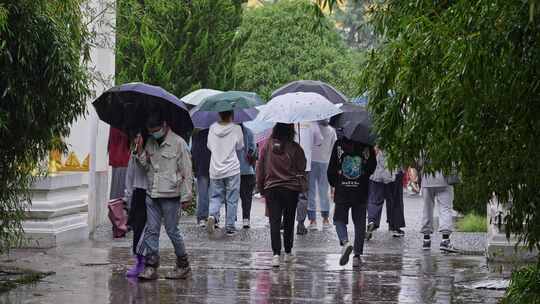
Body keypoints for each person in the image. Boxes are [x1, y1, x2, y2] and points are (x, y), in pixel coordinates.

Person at [135, 114, 193, 280]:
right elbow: (147, 166)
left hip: (171, 195)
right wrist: (139, 151)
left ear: (165, 125)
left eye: (156, 130)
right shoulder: (150, 142)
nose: (154, 134)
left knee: (172, 230)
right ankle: (151, 266)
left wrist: (186, 196)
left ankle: (183, 264)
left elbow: (187, 172)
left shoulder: (179, 143)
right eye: (151, 131)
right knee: (151, 230)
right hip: (152, 194)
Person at [257, 123, 306, 267]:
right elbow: (302, 166)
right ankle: (289, 252)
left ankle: (276, 255)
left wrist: (261, 187)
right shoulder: (294, 147)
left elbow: (260, 167)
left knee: (275, 221)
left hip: (272, 188)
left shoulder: (267, 146)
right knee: (289, 220)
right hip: (291, 189)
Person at [327, 136, 376, 267]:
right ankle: (357, 255)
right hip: (361, 189)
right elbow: (372, 167)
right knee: (360, 222)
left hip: (342, 188)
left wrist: (333, 182)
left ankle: (345, 241)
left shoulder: (339, 144)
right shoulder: (367, 144)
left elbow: (332, 167)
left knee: (339, 219)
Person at [206, 111, 244, 236]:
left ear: (219, 114)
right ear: (232, 115)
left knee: (215, 197)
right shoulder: (236, 128)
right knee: (232, 199)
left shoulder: (212, 128)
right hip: (232, 168)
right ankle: (230, 227)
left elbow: (209, 146)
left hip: (215, 168)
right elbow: (240, 146)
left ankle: (212, 215)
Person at [366, 146, 403, 240]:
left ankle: (372, 221)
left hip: (376, 171)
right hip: (392, 170)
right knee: (394, 200)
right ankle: (395, 226)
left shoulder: (370, 134)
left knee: (374, 199)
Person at [124, 133, 148, 277]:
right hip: (138, 193)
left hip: (151, 192)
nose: (136, 139)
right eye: (135, 136)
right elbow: (130, 175)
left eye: (139, 136)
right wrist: (128, 197)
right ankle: (139, 261)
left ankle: (148, 261)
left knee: (148, 230)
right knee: (137, 229)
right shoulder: (133, 153)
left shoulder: (151, 151)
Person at [294, 122, 323, 235]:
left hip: (289, 165)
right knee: (303, 195)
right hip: (305, 166)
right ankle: (300, 223)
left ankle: (284, 221)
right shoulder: (313, 124)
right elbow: (319, 142)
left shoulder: (290, 121)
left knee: (287, 192)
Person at [308, 119, 337, 229]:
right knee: (324, 191)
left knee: (311, 191)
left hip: (311, 161)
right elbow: (334, 147)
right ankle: (325, 219)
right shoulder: (331, 130)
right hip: (326, 162)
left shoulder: (311, 128)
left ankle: (312, 220)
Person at [421, 171, 457, 252]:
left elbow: (419, 162)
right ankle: (445, 240)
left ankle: (426, 240)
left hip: (427, 180)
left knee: (427, 209)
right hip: (445, 179)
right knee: (445, 209)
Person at [237, 124, 258, 229]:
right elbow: (253, 149)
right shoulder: (249, 132)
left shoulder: (230, 131)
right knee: (247, 197)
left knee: (231, 197)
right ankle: (246, 219)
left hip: (233, 170)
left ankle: (230, 219)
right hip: (247, 170)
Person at [191, 128, 212, 227]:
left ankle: (203, 217)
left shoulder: (196, 134)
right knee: (212, 195)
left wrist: (194, 168)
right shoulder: (215, 132)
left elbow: (194, 152)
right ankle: (211, 216)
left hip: (201, 167)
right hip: (213, 167)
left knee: (203, 194)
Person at [108, 127, 130, 200]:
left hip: (118, 159)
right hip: (123, 160)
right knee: (122, 194)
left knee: (116, 192)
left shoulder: (114, 122)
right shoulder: (121, 124)